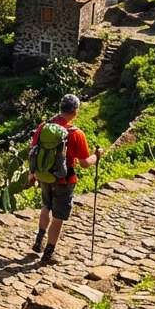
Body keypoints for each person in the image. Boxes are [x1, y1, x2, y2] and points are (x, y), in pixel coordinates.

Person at [28, 93, 102, 263]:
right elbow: (84, 163)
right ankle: (48, 253)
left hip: (43, 177)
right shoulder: (75, 134)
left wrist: (32, 174)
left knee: (46, 206)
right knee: (59, 217)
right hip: (63, 180)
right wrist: (97, 156)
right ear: (75, 112)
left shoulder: (43, 127)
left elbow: (33, 152)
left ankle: (39, 241)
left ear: (61, 109)